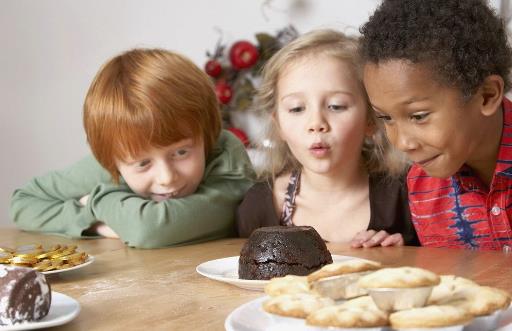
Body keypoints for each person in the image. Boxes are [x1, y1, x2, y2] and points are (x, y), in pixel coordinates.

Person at [9, 48, 255, 249]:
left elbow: (150, 229)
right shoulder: (114, 159)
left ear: (207, 133)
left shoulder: (225, 156)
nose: (166, 177)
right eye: (142, 164)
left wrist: (99, 202)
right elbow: (24, 203)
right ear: (111, 161)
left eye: (181, 152)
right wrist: (96, 225)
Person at [236, 29, 419, 247]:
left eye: (336, 106)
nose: (316, 124)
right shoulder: (257, 207)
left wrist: (406, 255)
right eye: (296, 109)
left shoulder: (408, 196)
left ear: (371, 118)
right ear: (279, 126)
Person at [359, 0, 512, 250]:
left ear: (487, 95)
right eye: (386, 118)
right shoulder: (422, 187)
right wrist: (406, 259)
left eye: (419, 116)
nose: (402, 143)